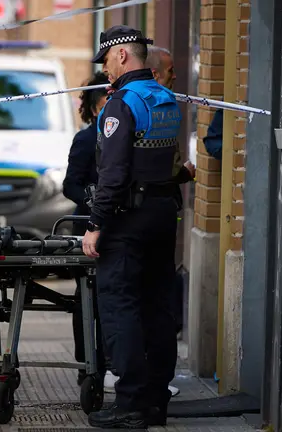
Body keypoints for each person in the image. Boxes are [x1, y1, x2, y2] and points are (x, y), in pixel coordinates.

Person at [82, 25, 185, 429]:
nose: (105, 70)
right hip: (164, 215)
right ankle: (156, 401)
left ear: (122, 55)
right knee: (158, 307)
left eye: (106, 61)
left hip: (129, 219)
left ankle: (128, 404)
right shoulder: (164, 98)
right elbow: (173, 165)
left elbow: (113, 173)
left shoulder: (121, 104)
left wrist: (95, 224)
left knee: (119, 306)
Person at [63, 71, 110, 386]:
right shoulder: (84, 139)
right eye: (106, 100)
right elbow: (70, 185)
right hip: (90, 227)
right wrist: (92, 201)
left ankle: (109, 362)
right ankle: (87, 366)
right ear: (94, 108)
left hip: (119, 227)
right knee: (86, 300)